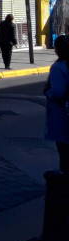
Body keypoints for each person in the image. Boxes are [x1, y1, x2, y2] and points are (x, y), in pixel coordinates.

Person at [44, 35, 69, 173]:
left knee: (64, 150)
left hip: (62, 112)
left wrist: (48, 91)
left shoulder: (59, 67)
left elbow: (58, 92)